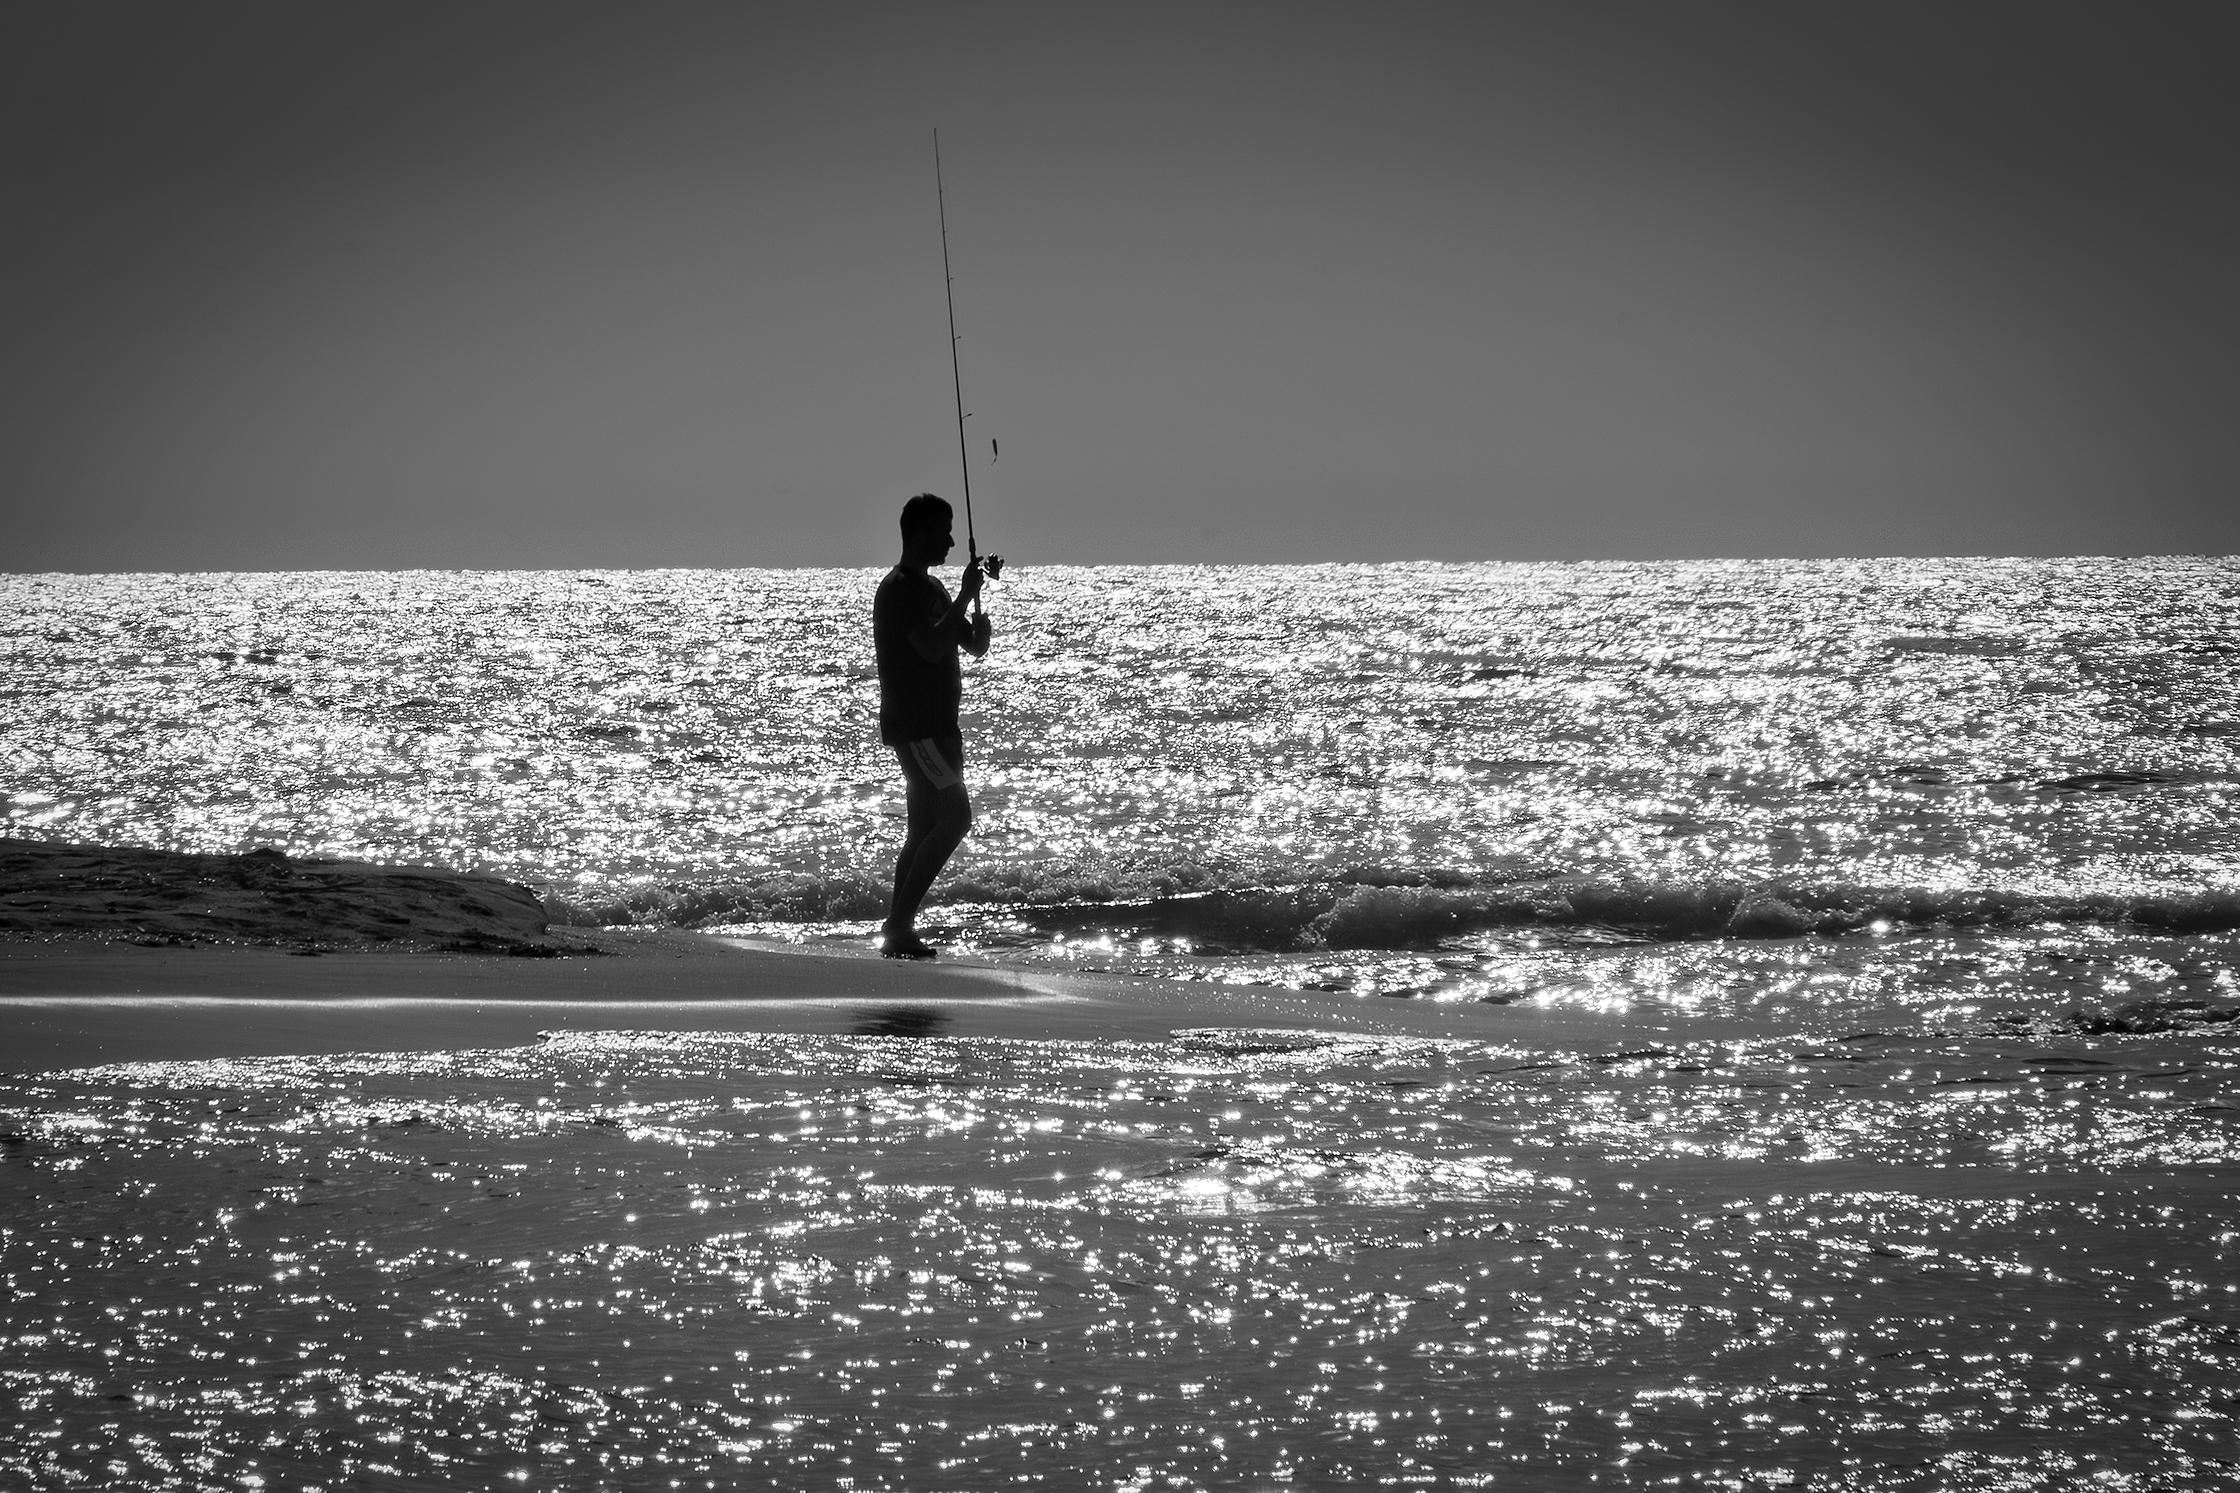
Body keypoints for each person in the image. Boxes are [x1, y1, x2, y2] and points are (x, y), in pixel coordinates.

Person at [872, 493, 991, 959]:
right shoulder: (899, 589)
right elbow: (929, 647)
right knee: (955, 818)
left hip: (941, 727)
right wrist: (962, 595)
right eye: (943, 531)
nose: (951, 541)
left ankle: (896, 928)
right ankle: (899, 925)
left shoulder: (933, 588)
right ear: (919, 533)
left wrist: (976, 615)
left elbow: (969, 644)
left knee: (923, 827)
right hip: (917, 726)